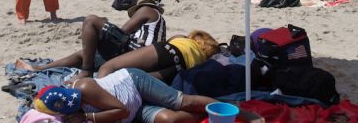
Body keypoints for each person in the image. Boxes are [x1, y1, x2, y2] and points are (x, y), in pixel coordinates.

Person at [15, 0, 166, 79]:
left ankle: (86, 71)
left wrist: (102, 34)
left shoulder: (148, 10)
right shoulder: (158, 20)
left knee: (91, 21)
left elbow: (123, 31)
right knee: (86, 53)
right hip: (144, 57)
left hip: (139, 53)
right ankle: (39, 68)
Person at [33, 69, 230, 123]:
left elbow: (121, 110)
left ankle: (236, 110)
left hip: (134, 85)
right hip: (132, 112)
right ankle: (208, 116)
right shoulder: (65, 117)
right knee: (171, 119)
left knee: (182, 102)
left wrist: (85, 117)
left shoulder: (85, 87)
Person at [96, 30, 220, 83]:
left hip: (168, 51)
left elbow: (170, 40)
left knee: (108, 67)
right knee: (132, 80)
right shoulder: (202, 60)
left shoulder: (185, 39)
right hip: (179, 69)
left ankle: (95, 98)